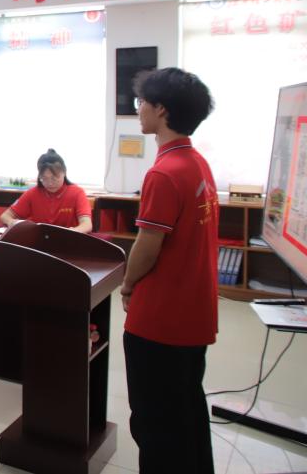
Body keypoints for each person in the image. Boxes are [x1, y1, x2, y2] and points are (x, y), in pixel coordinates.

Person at [121, 68, 218, 474]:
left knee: (155, 424)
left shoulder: (164, 172)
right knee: (188, 413)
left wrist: (127, 285)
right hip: (193, 313)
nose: (138, 109)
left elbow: (148, 246)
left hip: (160, 321)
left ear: (161, 110)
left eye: (142, 102)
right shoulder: (198, 164)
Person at [0, 149, 92, 232]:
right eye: (44, 178)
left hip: (68, 240)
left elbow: (87, 225)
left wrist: (74, 231)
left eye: (54, 178)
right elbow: (5, 216)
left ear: (64, 172)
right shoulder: (32, 193)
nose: (50, 183)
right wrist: (12, 222)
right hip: (40, 240)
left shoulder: (77, 193)